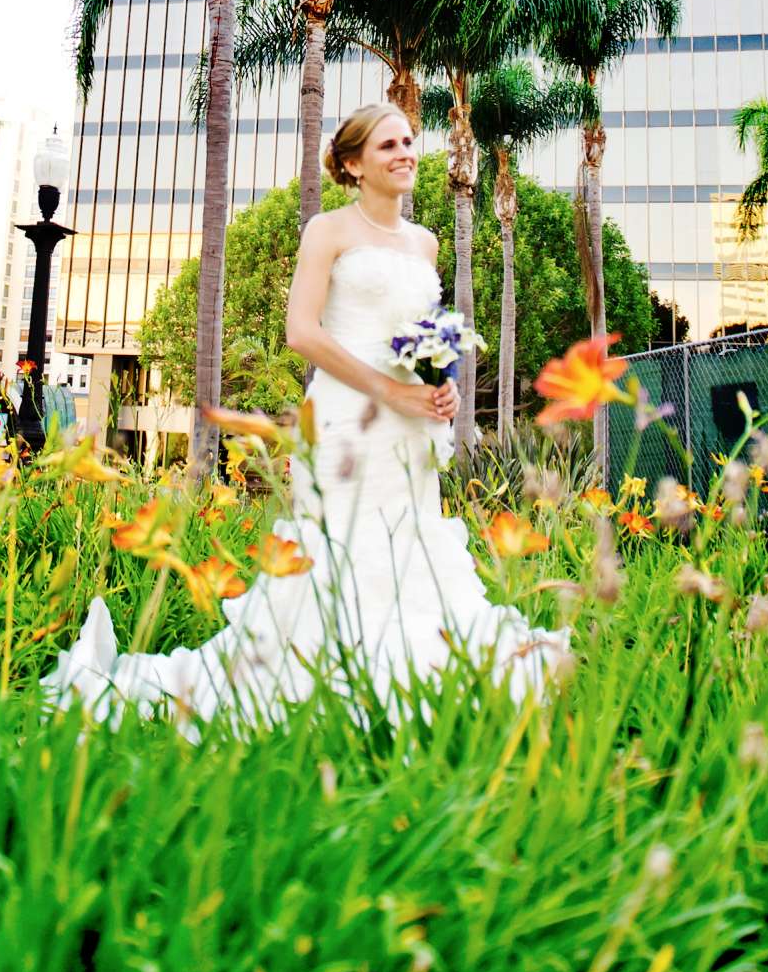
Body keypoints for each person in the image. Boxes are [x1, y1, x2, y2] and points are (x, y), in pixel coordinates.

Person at [47, 101, 569, 728]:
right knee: (341, 550)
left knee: (408, 550)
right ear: (352, 164)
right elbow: (302, 332)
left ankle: (408, 681)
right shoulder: (328, 230)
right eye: (386, 146)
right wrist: (389, 390)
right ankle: (315, 680)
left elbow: (424, 335)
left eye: (408, 141)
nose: (405, 153)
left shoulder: (426, 244)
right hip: (348, 418)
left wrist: (441, 388)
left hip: (411, 431)